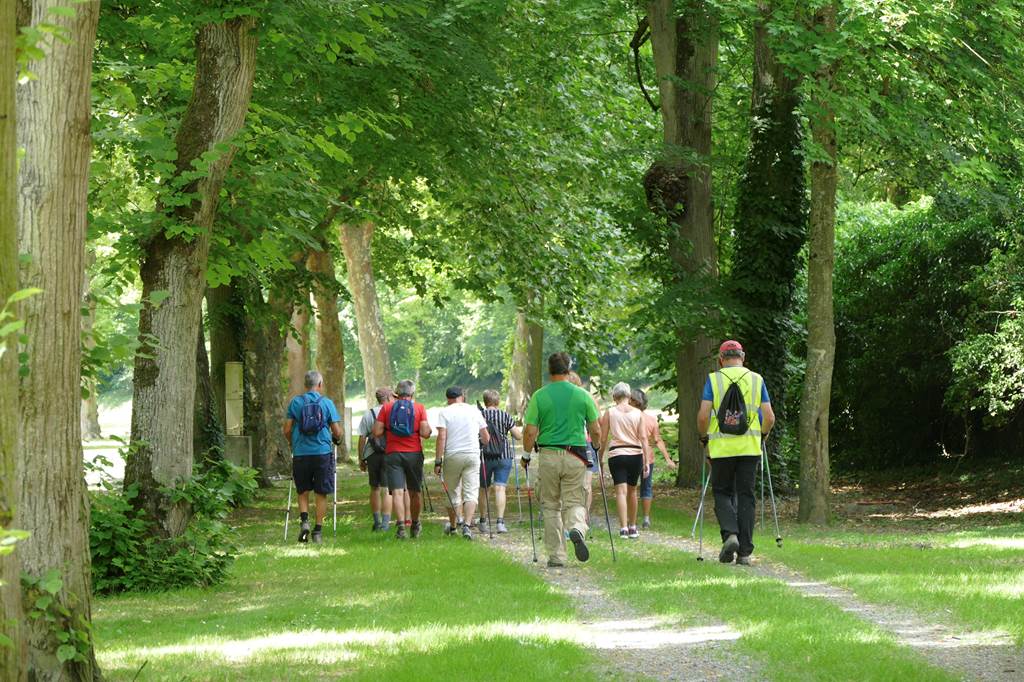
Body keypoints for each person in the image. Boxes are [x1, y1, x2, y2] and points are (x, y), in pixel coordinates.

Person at [697, 340, 775, 566]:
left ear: (721, 359)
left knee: (722, 492)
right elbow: (769, 417)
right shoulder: (756, 379)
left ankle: (730, 534)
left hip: (721, 449)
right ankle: (745, 553)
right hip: (750, 448)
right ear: (743, 357)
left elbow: (703, 416)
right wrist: (763, 435)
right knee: (746, 496)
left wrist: (704, 438)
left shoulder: (714, 379)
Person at [523, 352, 599, 568]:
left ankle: (556, 556)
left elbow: (529, 432)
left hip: (548, 456)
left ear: (549, 370)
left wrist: (526, 455)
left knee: (550, 506)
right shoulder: (582, 395)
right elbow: (595, 428)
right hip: (575, 455)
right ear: (569, 369)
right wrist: (596, 445)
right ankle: (576, 528)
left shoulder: (539, 396)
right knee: (575, 500)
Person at [282, 370, 344, 544]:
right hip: (322, 453)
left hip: (301, 453)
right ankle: (317, 531)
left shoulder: (296, 403)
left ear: (305, 385)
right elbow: (337, 431)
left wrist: (292, 443)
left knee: (302, 490)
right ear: (320, 384)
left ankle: (304, 521)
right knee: (321, 492)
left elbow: (286, 429)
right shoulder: (327, 403)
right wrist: (337, 438)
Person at [372, 379, 432, 539]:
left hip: (393, 454)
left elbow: (376, 431)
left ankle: (400, 528)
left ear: (396, 393)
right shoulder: (419, 408)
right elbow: (425, 433)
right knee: (415, 491)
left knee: (397, 492)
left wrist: (388, 428)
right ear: (412, 393)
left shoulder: (387, 407)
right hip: (414, 453)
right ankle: (415, 523)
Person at [434, 387, 489, 539]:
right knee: (471, 492)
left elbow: (442, 437)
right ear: (462, 397)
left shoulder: (444, 412)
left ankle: (453, 526)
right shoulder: (474, 411)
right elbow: (486, 438)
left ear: (448, 398)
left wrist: (438, 461)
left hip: (452, 455)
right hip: (472, 454)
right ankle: (467, 525)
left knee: (452, 492)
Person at [599, 382, 651, 539]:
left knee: (620, 492)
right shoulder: (638, 413)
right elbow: (643, 437)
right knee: (632, 490)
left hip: (617, 454)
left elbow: (603, 437)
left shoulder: (610, 412)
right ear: (629, 396)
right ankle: (633, 527)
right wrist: (646, 460)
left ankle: (623, 528)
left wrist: (600, 458)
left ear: (614, 397)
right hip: (635, 454)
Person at [630, 388, 677, 529]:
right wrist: (668, 459)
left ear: (634, 402)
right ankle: (646, 519)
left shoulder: (628, 417)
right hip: (647, 458)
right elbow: (658, 440)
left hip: (631, 455)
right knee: (646, 488)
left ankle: (629, 519)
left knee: (629, 488)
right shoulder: (651, 420)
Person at [477, 389, 523, 534]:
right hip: (504, 456)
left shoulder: (479, 415)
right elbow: (518, 436)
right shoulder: (505, 416)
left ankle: (483, 522)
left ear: (485, 401)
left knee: (484, 489)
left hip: (484, 456)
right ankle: (500, 523)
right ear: (497, 401)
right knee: (500, 488)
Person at [358, 387, 394, 532]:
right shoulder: (393, 412)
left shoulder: (369, 414)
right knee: (387, 489)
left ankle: (377, 522)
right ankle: (386, 524)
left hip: (372, 454)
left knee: (374, 488)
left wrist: (361, 458)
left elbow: (362, 438)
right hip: (389, 454)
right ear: (388, 398)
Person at [567, 372, 600, 523]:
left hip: (570, 443)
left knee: (571, 482)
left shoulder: (561, 399)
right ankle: (583, 517)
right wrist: (596, 443)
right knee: (586, 483)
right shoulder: (588, 397)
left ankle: (577, 517)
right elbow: (597, 421)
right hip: (586, 443)